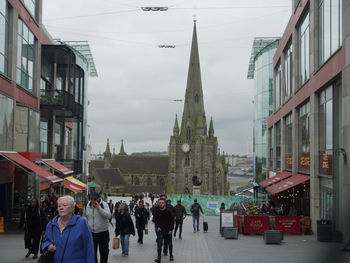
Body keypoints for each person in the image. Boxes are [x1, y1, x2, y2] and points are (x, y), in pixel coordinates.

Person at [42, 195, 94, 262]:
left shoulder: (81, 223)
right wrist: (48, 246)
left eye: (64, 205)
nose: (61, 208)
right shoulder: (51, 225)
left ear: (72, 208)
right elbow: (45, 241)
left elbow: (88, 248)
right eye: (59, 206)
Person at [83, 191, 111, 263]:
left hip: (103, 233)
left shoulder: (104, 204)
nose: (93, 201)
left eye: (94, 199)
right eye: (91, 199)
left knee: (104, 252)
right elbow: (86, 216)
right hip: (92, 233)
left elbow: (109, 216)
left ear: (98, 199)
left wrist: (99, 208)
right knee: (92, 253)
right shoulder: (87, 205)